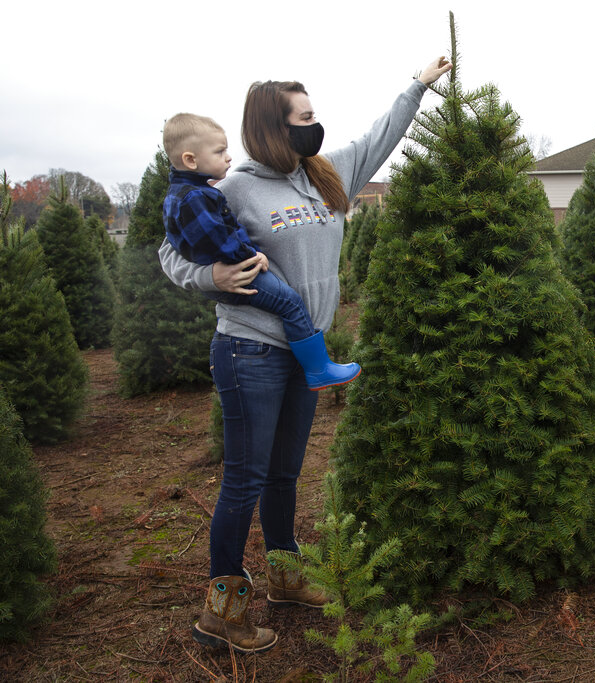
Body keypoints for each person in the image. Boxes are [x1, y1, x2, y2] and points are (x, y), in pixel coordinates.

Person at [158, 56, 452, 653]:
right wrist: (212, 275)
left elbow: (380, 136)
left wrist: (417, 86)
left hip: (304, 352)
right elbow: (170, 253)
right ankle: (222, 609)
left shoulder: (325, 173)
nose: (315, 126)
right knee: (245, 479)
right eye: (305, 117)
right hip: (251, 349)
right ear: (273, 126)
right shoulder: (234, 185)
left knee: (286, 473)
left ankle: (285, 576)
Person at [161, 113, 360, 391]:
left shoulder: (196, 192)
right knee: (290, 302)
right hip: (243, 271)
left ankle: (315, 366)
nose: (228, 157)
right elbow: (218, 240)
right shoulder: (196, 198)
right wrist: (249, 256)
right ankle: (317, 368)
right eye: (219, 152)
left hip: (239, 267)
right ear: (190, 160)